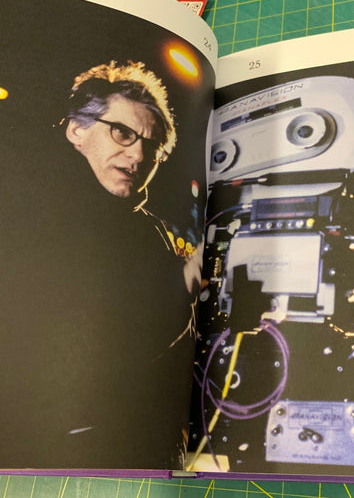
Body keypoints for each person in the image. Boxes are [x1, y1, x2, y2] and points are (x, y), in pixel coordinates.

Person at [0, 61, 200, 470]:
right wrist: (183, 284)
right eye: (122, 133)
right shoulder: (32, 212)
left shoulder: (144, 226)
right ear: (77, 130)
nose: (138, 155)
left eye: (153, 148)